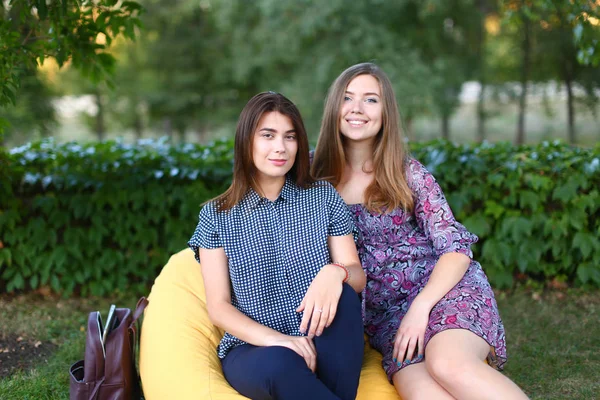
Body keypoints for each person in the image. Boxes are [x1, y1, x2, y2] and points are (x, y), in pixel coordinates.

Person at [311, 63, 529, 400]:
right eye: (347, 98)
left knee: (447, 365)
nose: (356, 109)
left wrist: (421, 308)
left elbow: (456, 249)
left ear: (386, 113)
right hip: (386, 319)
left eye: (371, 100)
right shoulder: (311, 176)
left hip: (443, 293)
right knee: (424, 393)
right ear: (334, 107)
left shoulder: (407, 173)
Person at [188, 92, 366, 400]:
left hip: (323, 337)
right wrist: (280, 341)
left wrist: (334, 272)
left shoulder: (323, 197)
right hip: (257, 350)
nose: (280, 147)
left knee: (347, 299)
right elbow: (219, 307)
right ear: (247, 142)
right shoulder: (216, 216)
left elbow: (357, 276)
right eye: (267, 136)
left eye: (290, 137)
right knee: (282, 364)